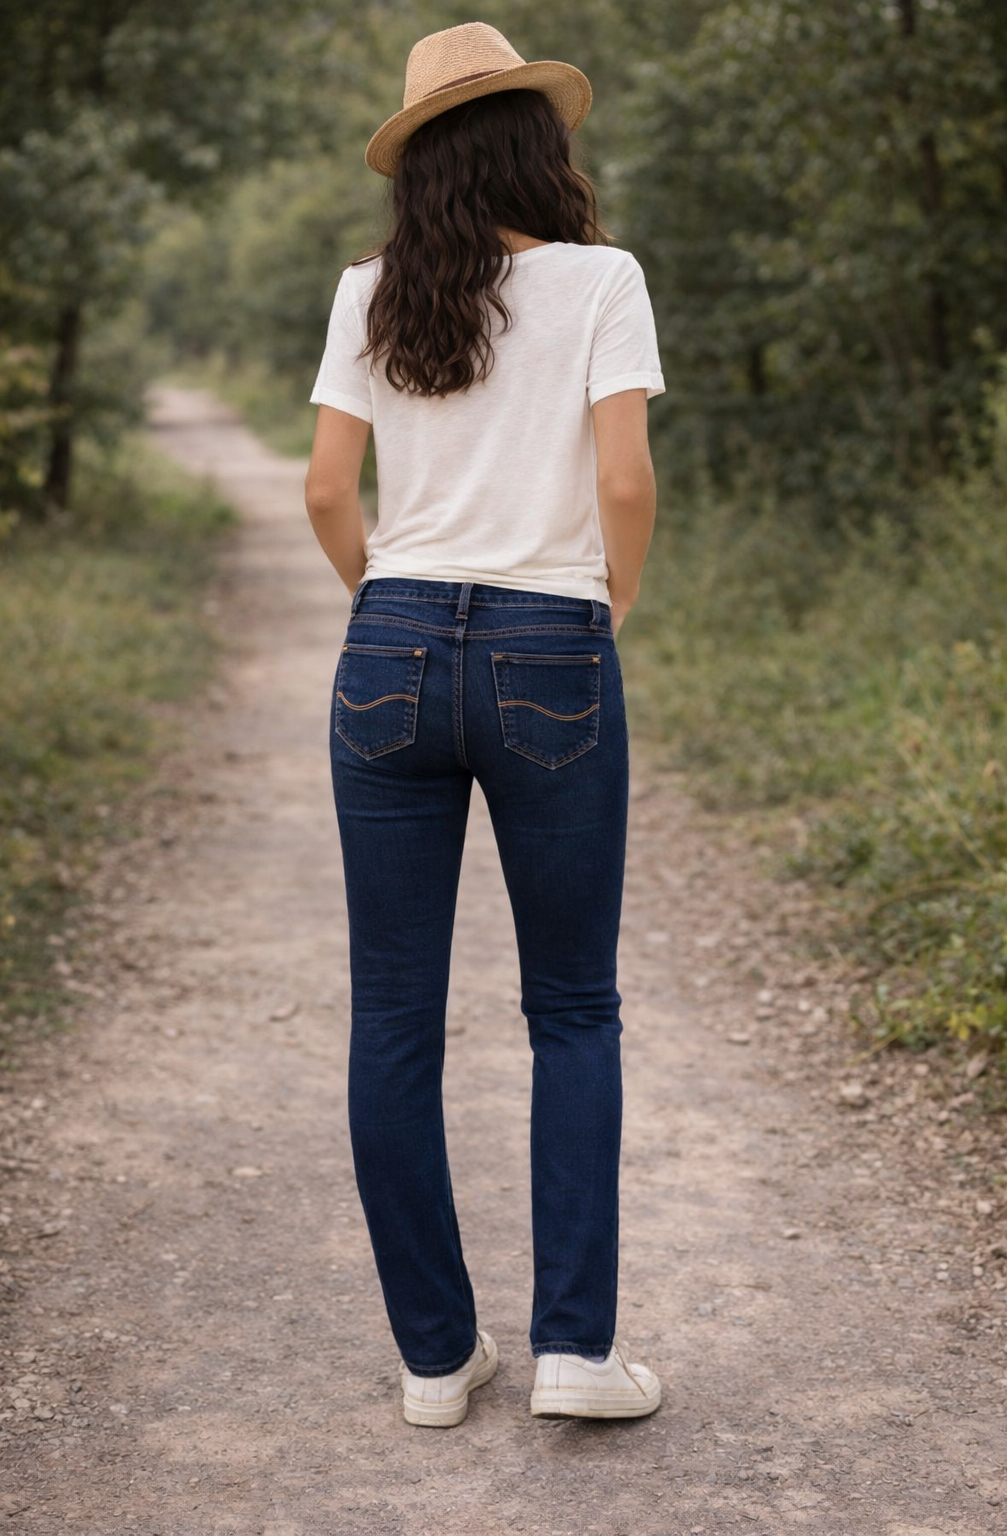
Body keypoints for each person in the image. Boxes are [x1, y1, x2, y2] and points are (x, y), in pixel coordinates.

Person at [304, 21, 665, 1428]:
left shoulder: (371, 293)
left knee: (393, 1014)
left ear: (419, 166)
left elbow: (328, 491)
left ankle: (436, 1361)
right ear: (535, 143)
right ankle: (574, 1349)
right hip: (549, 642)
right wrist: (607, 601)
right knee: (571, 1007)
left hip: (388, 644)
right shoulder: (600, 280)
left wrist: (387, 603)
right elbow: (623, 481)